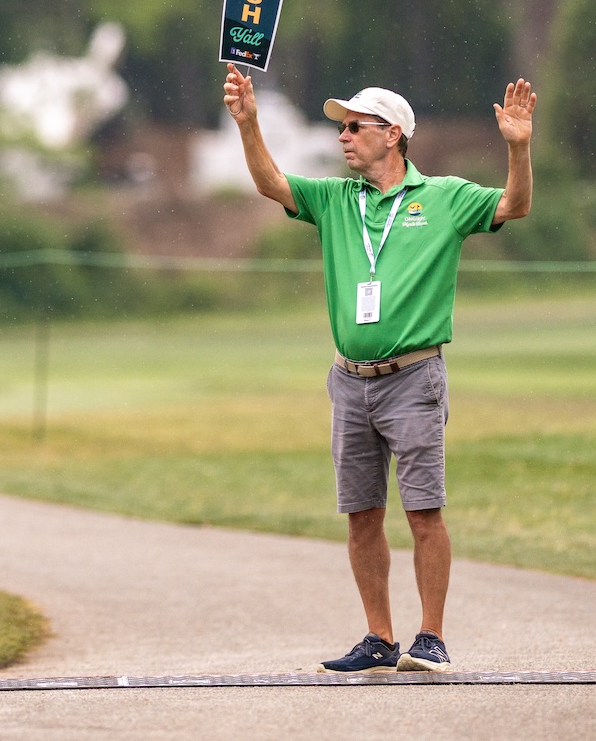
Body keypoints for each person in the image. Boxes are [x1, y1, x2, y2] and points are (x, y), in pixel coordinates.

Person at [222, 63, 535, 674]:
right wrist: (248, 123)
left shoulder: (443, 197)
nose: (342, 136)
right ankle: (379, 638)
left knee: (423, 511)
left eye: (354, 126)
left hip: (414, 378)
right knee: (362, 515)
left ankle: (431, 638)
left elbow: (515, 205)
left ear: (392, 134)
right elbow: (270, 182)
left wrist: (518, 149)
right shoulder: (335, 199)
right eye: (341, 127)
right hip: (349, 381)